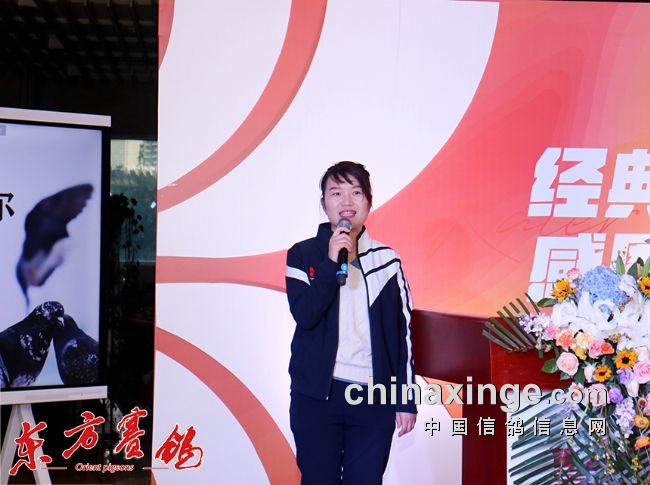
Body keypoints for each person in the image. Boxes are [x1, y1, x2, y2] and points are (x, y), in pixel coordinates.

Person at [285, 161, 417, 484]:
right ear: (323, 203)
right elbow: (305, 314)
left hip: (372, 397)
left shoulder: (387, 260)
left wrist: (406, 397)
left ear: (368, 202)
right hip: (317, 397)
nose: (347, 201)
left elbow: (403, 335)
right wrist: (330, 263)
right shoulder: (302, 255)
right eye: (336, 193)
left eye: (356, 193)